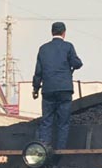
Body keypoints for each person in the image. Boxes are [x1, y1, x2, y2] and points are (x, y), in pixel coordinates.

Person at [32, 21, 83, 151]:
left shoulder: (43, 49)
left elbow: (38, 71)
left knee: (46, 121)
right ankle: (60, 151)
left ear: (51, 32)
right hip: (65, 89)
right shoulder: (68, 47)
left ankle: (44, 150)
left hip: (48, 90)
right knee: (63, 122)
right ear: (64, 33)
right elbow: (77, 63)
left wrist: (36, 88)